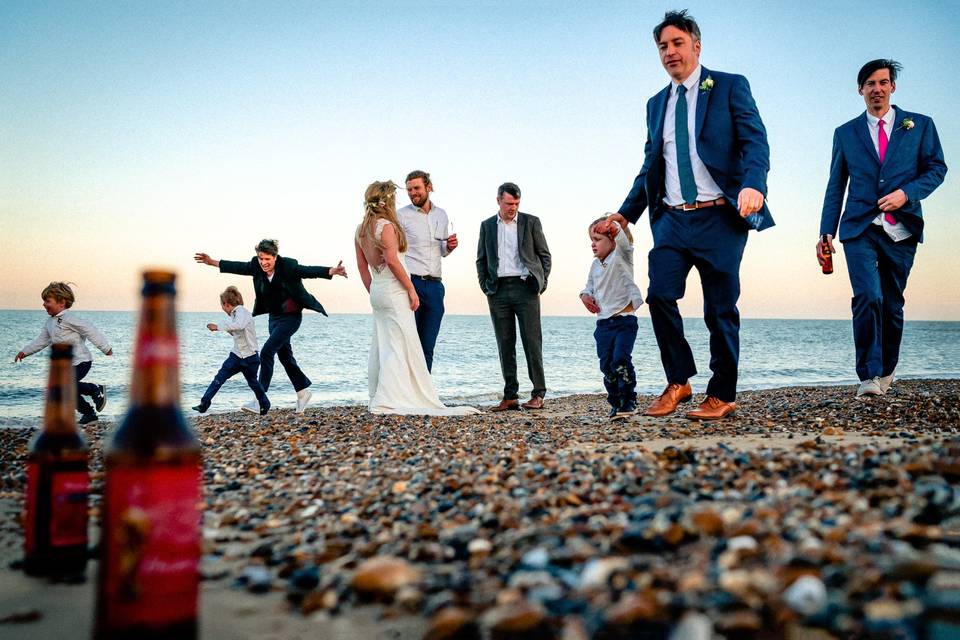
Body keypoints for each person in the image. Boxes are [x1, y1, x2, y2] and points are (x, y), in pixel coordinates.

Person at [609, 10, 772, 421]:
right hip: (672, 219)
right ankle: (679, 380)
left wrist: (754, 185)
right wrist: (626, 214)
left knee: (719, 309)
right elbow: (651, 164)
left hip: (721, 217)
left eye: (677, 43)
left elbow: (755, 141)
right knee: (660, 294)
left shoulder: (730, 87)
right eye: (662, 46)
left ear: (696, 45)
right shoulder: (655, 104)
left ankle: (723, 393)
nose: (670, 52)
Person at [818, 59, 947, 397]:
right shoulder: (845, 133)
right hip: (859, 227)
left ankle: (887, 370)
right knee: (867, 296)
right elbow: (836, 185)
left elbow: (936, 168)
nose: (877, 89)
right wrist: (825, 231)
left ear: (893, 87)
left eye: (883, 82)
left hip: (902, 228)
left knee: (892, 304)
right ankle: (868, 375)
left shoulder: (919, 125)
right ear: (860, 90)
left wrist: (907, 194)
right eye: (870, 83)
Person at [354, 180, 478, 416]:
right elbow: (392, 261)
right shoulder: (387, 226)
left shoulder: (360, 230)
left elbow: (362, 267)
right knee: (400, 344)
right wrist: (410, 289)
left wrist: (374, 290)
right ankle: (393, 396)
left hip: (378, 292)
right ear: (387, 200)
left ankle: (379, 394)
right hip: (394, 291)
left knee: (382, 343)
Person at [194, 239, 346, 414]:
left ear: (275, 257)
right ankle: (303, 392)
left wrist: (331, 271)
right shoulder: (256, 266)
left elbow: (307, 270)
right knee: (285, 356)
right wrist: (212, 261)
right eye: (261, 258)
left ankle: (260, 400)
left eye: (267, 259)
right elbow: (238, 267)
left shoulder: (288, 265)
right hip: (274, 318)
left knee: (267, 352)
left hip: (291, 317)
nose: (263, 263)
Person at [476, 182, 552, 411]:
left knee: (532, 342)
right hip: (497, 290)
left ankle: (538, 394)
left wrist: (540, 282)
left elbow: (545, 256)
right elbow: (481, 260)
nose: (513, 208)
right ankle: (510, 396)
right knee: (505, 343)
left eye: (517, 203)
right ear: (498, 200)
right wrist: (485, 286)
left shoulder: (531, 222)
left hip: (526, 288)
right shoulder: (487, 225)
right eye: (509, 203)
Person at [15, 282, 112, 424]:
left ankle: (94, 389)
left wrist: (105, 348)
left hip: (81, 361)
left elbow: (90, 330)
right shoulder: (49, 323)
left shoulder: (69, 319)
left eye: (47, 301)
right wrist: (25, 351)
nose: (43, 304)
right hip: (66, 364)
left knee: (66, 386)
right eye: (43, 301)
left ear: (61, 302)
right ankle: (88, 413)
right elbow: (41, 341)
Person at [580, 215, 645, 420]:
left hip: (624, 320)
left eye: (597, 239)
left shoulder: (621, 256)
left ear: (612, 240)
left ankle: (628, 400)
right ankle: (615, 402)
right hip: (603, 324)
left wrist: (614, 226)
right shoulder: (595, 266)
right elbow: (588, 287)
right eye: (591, 239)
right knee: (606, 365)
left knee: (620, 360)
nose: (593, 244)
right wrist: (585, 296)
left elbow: (625, 242)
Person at [397, 170, 458, 372]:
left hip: (435, 286)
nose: (412, 193)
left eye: (416, 188)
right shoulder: (402, 216)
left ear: (428, 187)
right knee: (407, 344)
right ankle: (406, 393)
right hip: (411, 284)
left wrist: (449, 247)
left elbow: (441, 251)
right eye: (409, 190)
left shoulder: (441, 214)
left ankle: (425, 394)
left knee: (428, 345)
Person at [193, 286, 270, 415]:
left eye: (222, 306)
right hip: (236, 355)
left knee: (253, 383)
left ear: (226, 304)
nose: (223, 309)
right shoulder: (235, 315)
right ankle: (204, 404)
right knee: (219, 378)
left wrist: (217, 327)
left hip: (250, 356)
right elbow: (237, 331)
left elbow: (239, 326)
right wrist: (227, 329)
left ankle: (265, 404)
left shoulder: (242, 312)